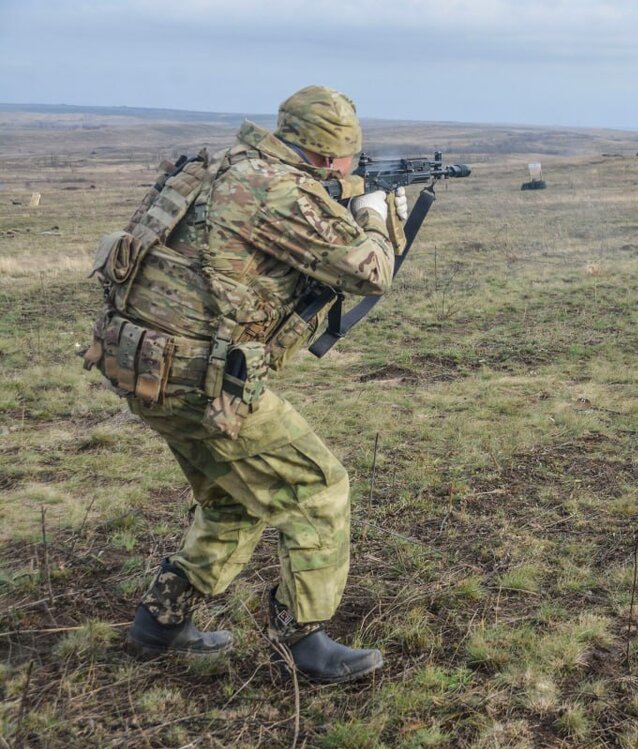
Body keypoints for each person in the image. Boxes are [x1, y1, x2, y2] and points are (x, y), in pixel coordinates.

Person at [81, 86, 407, 683]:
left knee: (235, 496)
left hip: (142, 367)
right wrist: (378, 212)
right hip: (199, 382)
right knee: (317, 488)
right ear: (331, 157)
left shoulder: (222, 164)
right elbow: (371, 271)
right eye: (349, 159)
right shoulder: (279, 191)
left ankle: (161, 623)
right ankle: (305, 642)